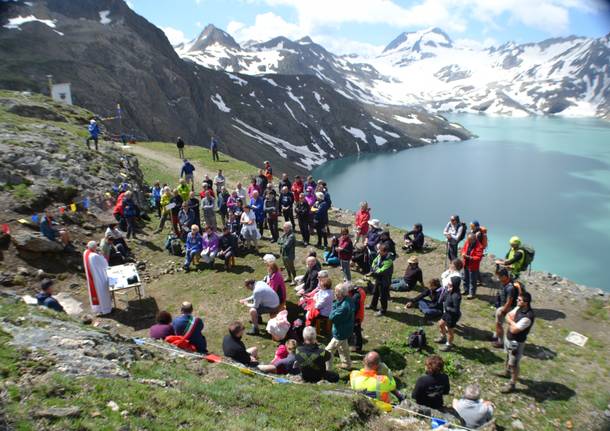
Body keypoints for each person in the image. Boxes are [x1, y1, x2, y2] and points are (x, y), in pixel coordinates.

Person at [500, 292, 535, 393]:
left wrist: (511, 322)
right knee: (508, 356)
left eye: (519, 300)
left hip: (517, 343)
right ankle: (506, 372)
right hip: (509, 339)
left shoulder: (528, 317)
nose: (517, 301)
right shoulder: (519, 308)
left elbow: (514, 330)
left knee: (514, 364)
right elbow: (507, 315)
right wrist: (513, 323)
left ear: (526, 302)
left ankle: (512, 384)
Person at [326, 283, 354, 370]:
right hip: (346, 329)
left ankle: (328, 370)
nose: (334, 294)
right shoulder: (349, 299)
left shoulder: (343, 307)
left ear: (340, 294)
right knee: (343, 347)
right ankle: (347, 364)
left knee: (328, 351)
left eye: (336, 292)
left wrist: (334, 305)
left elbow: (332, 317)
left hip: (340, 332)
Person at [83, 241, 112, 316]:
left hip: (92, 277)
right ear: (94, 247)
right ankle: (106, 309)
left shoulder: (86, 253)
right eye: (96, 247)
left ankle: (98, 309)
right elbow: (105, 264)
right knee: (102, 292)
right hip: (98, 278)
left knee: (96, 293)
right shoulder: (94, 256)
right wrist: (101, 255)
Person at [492, 268, 519, 348]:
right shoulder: (504, 283)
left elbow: (509, 301)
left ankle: (500, 342)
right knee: (497, 323)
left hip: (507, 308)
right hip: (502, 305)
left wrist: (503, 311)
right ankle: (495, 336)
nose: (498, 279)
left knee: (499, 324)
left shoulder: (510, 288)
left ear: (504, 276)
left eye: (499, 277)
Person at [367, 244, 393, 317]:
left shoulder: (388, 261)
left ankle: (383, 310)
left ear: (385, 252)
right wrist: (374, 269)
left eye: (380, 251)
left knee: (383, 296)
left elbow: (381, 271)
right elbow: (374, 263)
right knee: (375, 293)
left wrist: (374, 270)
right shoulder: (379, 256)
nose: (378, 251)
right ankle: (373, 305)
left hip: (384, 281)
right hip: (378, 279)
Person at [437, 276, 462, 351]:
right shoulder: (449, 291)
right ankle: (443, 337)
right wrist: (445, 292)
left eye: (450, 282)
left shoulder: (456, 296)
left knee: (450, 331)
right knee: (440, 324)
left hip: (452, 316)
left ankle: (449, 345)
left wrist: (447, 308)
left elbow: (456, 310)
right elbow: (441, 300)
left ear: (454, 284)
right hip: (447, 313)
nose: (448, 283)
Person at [461, 233, 484, 299]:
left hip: (473, 266)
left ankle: (472, 294)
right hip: (466, 264)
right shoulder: (467, 242)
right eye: (468, 239)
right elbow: (463, 249)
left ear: (474, 239)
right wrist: (463, 253)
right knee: (465, 278)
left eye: (469, 240)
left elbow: (478, 258)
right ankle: (466, 290)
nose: (468, 241)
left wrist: (469, 257)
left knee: (472, 281)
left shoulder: (479, 246)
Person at [349, 283, 366, 352]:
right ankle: (357, 346)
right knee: (356, 331)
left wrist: (352, 319)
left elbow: (354, 310)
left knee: (357, 332)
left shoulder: (355, 297)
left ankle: (358, 347)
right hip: (360, 314)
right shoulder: (360, 290)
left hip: (356, 317)